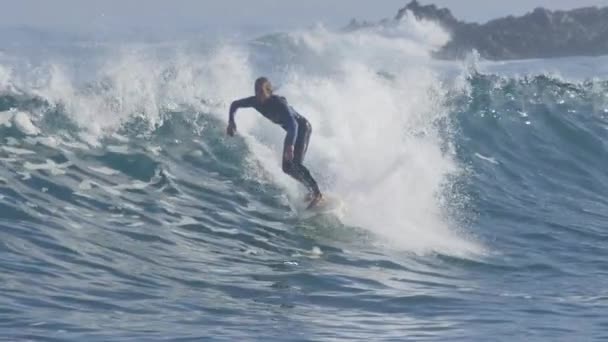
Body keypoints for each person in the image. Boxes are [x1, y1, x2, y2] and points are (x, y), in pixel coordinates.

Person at [227, 77, 323, 208]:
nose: (258, 95)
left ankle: (317, 193)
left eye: (261, 91)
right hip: (291, 132)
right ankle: (311, 191)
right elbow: (235, 104)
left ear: (268, 92)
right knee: (287, 168)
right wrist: (231, 121)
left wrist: (290, 145)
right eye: (256, 91)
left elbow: (294, 124)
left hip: (301, 129)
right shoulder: (255, 101)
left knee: (295, 164)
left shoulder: (279, 103)